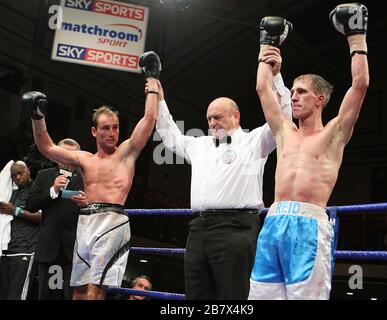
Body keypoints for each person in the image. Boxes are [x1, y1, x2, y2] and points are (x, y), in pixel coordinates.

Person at [249, 3, 369, 300]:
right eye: (292, 91)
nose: (293, 96)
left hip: (309, 227)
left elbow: (361, 84)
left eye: (300, 92)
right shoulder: (284, 131)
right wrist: (267, 44)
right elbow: (263, 88)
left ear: (319, 100)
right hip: (274, 221)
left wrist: (356, 37)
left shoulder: (335, 133)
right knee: (260, 296)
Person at [25, 51, 162, 300]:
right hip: (85, 222)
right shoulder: (84, 159)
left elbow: (149, 118)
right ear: (94, 131)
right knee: (77, 292)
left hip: (112, 221)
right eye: (106, 128)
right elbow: (47, 147)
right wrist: (38, 117)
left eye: (115, 127)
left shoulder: (127, 152)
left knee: (94, 292)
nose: (112, 133)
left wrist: (152, 80)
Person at [155, 53, 292, 299]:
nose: (212, 122)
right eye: (208, 118)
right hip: (197, 230)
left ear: (235, 117)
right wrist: (159, 97)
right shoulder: (200, 144)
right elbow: (169, 136)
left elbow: (282, 119)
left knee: (233, 298)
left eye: (217, 117)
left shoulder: (255, 141)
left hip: (236, 230)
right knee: (196, 296)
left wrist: (275, 76)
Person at [26, 138, 84, 300]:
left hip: (73, 250)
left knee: (67, 296)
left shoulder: (87, 180)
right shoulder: (44, 176)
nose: (65, 158)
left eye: (69, 154)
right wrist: (53, 190)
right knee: (46, 295)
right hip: (49, 247)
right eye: (62, 154)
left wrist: (87, 204)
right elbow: (30, 204)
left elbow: (96, 210)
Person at [0, 161, 42, 300]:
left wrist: (15, 210)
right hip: (7, 250)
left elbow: (41, 217)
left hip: (26, 249)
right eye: (14, 175)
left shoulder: (37, 189)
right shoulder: (9, 193)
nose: (18, 177)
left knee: (18, 296)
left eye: (20, 173)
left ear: (28, 171)